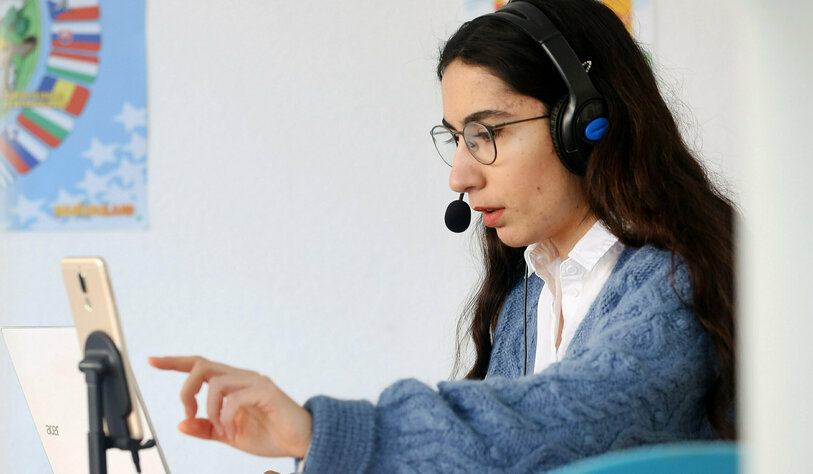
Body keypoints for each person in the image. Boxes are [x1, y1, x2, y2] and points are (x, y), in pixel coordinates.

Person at [148, 0, 737, 472]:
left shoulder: (679, 284)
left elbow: (563, 420)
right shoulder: (529, 296)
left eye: (488, 133)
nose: (460, 176)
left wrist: (324, 434)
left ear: (584, 125)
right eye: (457, 138)